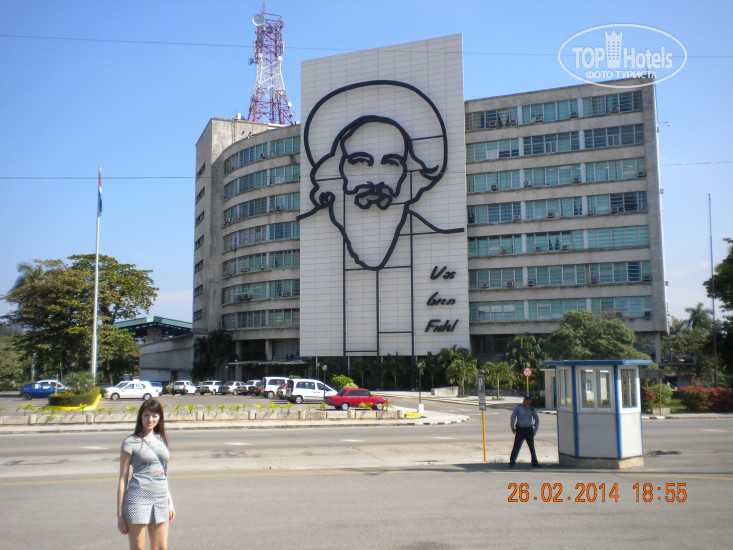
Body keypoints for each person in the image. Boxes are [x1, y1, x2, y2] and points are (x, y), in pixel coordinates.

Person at [117, 398, 175, 550]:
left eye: (154, 416)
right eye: (146, 415)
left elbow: (164, 474)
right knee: (138, 548)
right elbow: (123, 479)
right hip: (138, 498)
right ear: (140, 417)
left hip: (160, 498)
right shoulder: (130, 442)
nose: (150, 419)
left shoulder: (161, 440)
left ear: (159, 418)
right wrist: (120, 514)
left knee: (161, 547)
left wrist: (170, 502)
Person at [508, 393, 541, 468]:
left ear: (531, 401)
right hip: (520, 429)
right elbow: (513, 416)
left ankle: (534, 462)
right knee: (516, 446)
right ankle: (512, 462)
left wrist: (535, 429)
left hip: (529, 430)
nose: (527, 401)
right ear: (523, 400)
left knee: (531, 447)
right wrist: (512, 426)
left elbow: (537, 419)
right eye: (526, 400)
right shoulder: (518, 408)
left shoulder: (531, 409)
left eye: (528, 400)